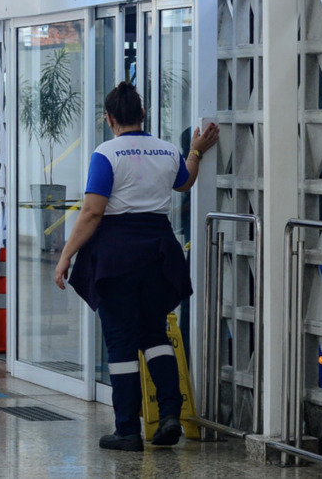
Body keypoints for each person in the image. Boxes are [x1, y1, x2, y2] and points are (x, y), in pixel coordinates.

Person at [54, 82, 219, 452]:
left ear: (110, 118)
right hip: (159, 252)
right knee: (155, 335)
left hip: (117, 256)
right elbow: (185, 182)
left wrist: (66, 255)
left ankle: (128, 429)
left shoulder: (106, 153)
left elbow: (93, 211)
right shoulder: (165, 149)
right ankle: (170, 415)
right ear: (142, 115)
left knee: (121, 343)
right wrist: (196, 151)